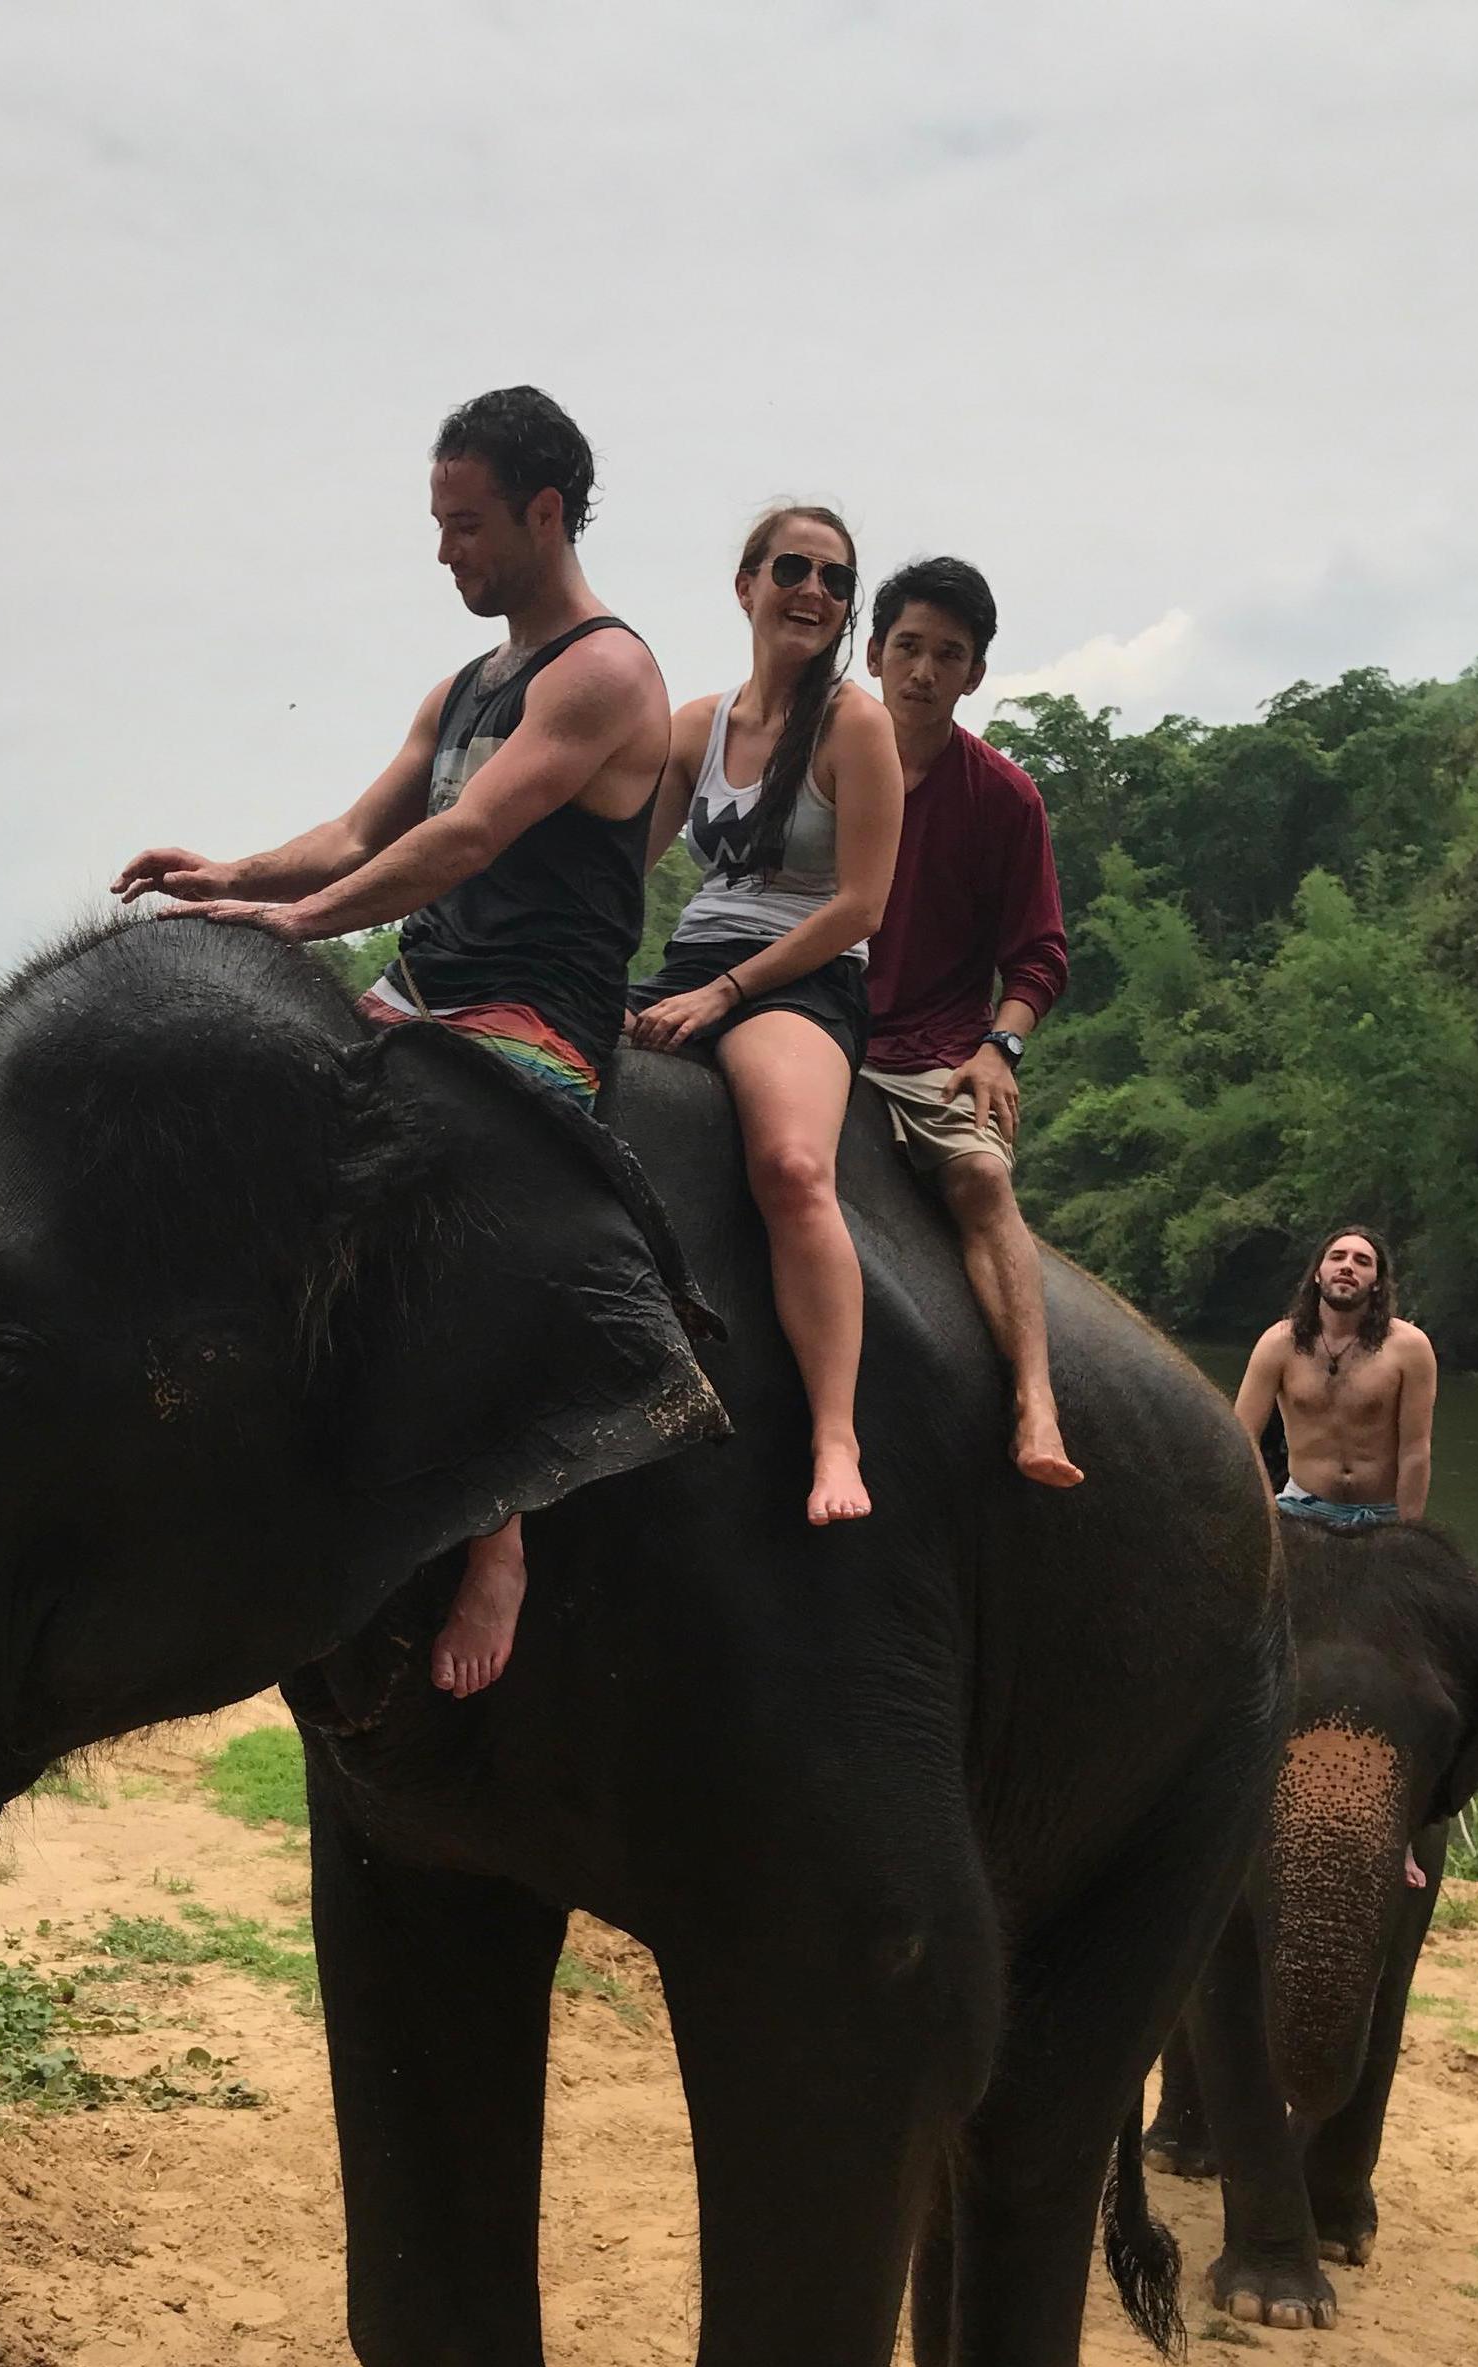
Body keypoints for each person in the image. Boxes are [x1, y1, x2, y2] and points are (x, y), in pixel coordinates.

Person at [113, 386, 671, 1698]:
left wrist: (301, 922)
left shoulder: (604, 673)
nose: (445, 553)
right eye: (438, 524)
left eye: (466, 525)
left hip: (536, 1016)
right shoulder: (465, 685)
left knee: (434, 1188)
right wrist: (226, 875)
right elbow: (364, 833)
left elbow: (469, 836)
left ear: (543, 514)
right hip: (424, 988)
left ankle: (500, 1543)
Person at [626, 504, 901, 1527]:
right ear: (746, 585)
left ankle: (836, 1433)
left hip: (803, 978)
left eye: (836, 580)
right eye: (794, 568)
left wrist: (729, 994)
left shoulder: (857, 725)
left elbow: (861, 906)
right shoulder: (696, 727)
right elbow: (623, 874)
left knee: (791, 1167)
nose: (815, 593)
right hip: (692, 960)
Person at [856, 557, 1081, 1487]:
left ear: (974, 675)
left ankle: (1036, 1402)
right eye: (908, 647)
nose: (923, 671)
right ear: (872, 653)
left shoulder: (1003, 798)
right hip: (808, 1019)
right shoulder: (817, 767)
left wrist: (1002, 1044)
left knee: (984, 1181)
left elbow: (1039, 954)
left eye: (948, 655)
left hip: (936, 1048)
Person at [1231, 1226, 1438, 1528]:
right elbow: (1241, 1437)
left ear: (1377, 1283)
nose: (1347, 1266)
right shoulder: (1278, 1343)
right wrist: (1262, 1510)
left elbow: (1415, 1452)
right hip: (1300, 1509)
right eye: (1337, 1257)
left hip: (1380, 1516)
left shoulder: (1410, 1347)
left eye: (1362, 1261)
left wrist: (1409, 1534)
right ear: (1318, 1274)